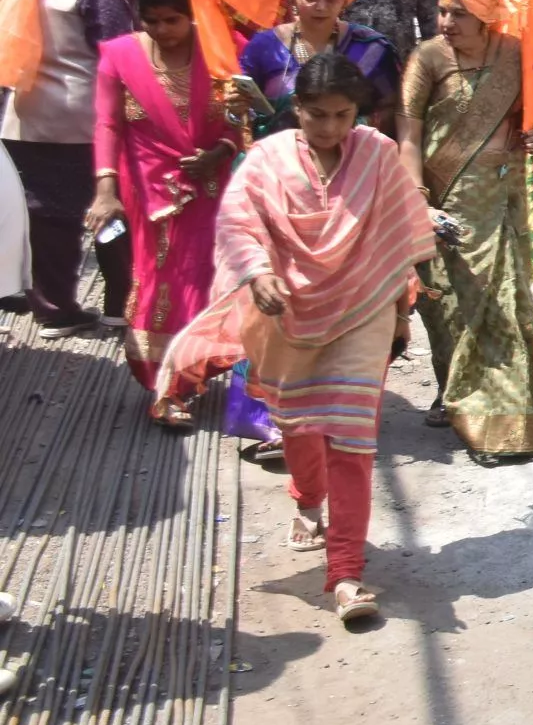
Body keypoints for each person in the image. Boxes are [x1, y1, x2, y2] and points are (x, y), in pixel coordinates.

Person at [157, 52, 439, 627]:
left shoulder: (378, 156)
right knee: (300, 426)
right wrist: (258, 274)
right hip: (284, 312)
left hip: (362, 312)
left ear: (358, 111)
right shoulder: (266, 159)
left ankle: (346, 573)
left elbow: (398, 230)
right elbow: (238, 224)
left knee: (352, 441)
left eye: (341, 115)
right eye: (316, 115)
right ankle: (306, 498)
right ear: (296, 109)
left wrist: (400, 307)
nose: (330, 128)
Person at [399, 0, 533, 464]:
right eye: (442, 11)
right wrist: (416, 201)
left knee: (501, 310)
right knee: (448, 309)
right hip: (443, 204)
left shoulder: (518, 53)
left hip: (502, 200)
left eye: (458, 13)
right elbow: (409, 133)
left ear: (485, 14)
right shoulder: (426, 58)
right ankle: (457, 398)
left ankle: (498, 421)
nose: (445, 22)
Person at [88, 0, 245, 419]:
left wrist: (221, 151)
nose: (161, 30)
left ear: (193, 17)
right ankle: (163, 386)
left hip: (212, 188)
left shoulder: (222, 48)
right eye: (150, 20)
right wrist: (105, 191)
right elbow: (107, 125)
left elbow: (240, 117)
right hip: (147, 191)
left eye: (172, 20)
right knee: (158, 283)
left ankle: (186, 376)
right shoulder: (119, 56)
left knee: (206, 278)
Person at [0, 0, 133, 337]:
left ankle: (53, 308)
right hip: (86, 120)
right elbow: (119, 56)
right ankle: (118, 307)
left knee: (45, 217)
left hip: (25, 117)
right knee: (110, 210)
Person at [240, 0, 403, 135]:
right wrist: (236, 109)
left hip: (353, 158)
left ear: (345, 0)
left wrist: (354, 126)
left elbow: (392, 107)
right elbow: (244, 111)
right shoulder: (264, 48)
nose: (321, 6)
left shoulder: (371, 48)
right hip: (281, 159)